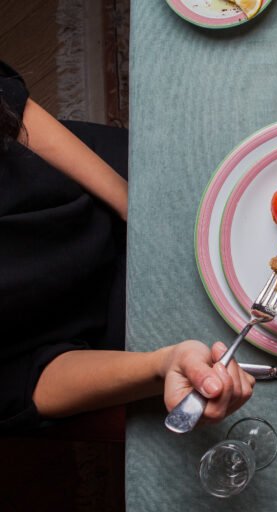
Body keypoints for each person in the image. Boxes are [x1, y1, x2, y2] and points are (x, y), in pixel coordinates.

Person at [0, 61, 254, 433]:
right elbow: (20, 386)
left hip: (83, 174)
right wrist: (162, 363)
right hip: (98, 331)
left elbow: (9, 106)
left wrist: (129, 203)